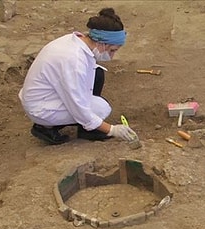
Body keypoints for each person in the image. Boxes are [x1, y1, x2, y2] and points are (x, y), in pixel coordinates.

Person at [18, 8, 137, 145]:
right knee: (101, 108)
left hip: (44, 93)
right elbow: (79, 108)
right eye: (112, 50)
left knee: (97, 73)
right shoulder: (74, 60)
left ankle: (86, 128)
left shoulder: (77, 41)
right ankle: (46, 127)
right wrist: (111, 130)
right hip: (40, 107)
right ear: (101, 43)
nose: (112, 55)